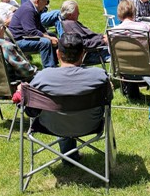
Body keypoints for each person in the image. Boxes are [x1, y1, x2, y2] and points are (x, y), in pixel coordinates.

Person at [29, 33, 112, 163]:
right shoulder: (99, 76)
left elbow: (30, 110)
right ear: (83, 54)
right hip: (89, 124)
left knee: (63, 113)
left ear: (58, 54)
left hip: (51, 125)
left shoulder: (42, 78)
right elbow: (108, 103)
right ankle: (70, 156)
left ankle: (68, 157)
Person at [115, 0, 150, 99]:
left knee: (131, 58)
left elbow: (111, 52)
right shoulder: (144, 28)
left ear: (119, 14)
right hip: (147, 68)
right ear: (134, 12)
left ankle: (132, 93)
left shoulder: (113, 32)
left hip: (124, 69)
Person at [8, 0, 58, 68]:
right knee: (45, 42)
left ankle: (55, 64)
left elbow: (39, 26)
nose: (46, 4)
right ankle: (49, 69)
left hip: (25, 36)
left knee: (52, 35)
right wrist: (49, 38)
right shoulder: (28, 10)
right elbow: (31, 32)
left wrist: (48, 35)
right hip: (18, 41)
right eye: (45, 2)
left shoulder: (34, 8)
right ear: (37, 1)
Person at [0, 14, 36, 83]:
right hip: (7, 85)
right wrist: (33, 69)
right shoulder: (5, 46)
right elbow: (26, 72)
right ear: (0, 29)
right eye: (4, 27)